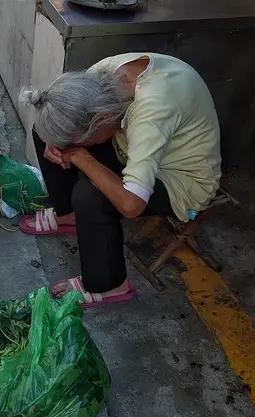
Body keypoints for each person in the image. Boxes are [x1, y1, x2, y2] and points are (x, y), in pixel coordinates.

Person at [19, 53, 221, 307]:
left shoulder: (152, 111)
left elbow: (131, 204)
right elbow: (63, 124)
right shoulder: (103, 76)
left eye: (87, 141)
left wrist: (84, 158)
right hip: (131, 146)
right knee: (47, 129)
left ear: (102, 121)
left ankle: (110, 284)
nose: (79, 148)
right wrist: (55, 143)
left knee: (91, 195)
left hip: (178, 180)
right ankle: (67, 215)